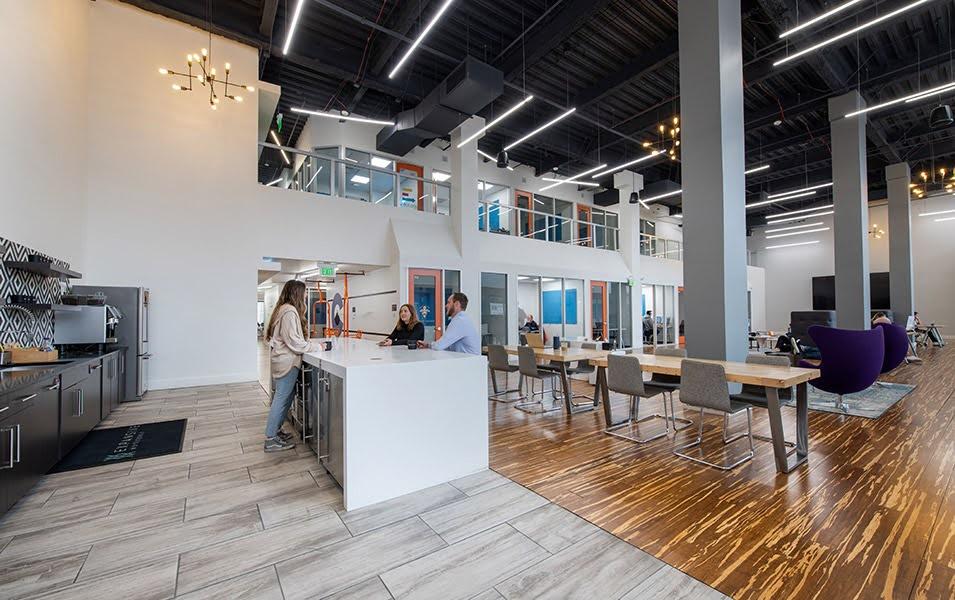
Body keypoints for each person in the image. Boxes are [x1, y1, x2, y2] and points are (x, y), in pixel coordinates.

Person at [263, 280, 320, 452]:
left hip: (284, 361)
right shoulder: (289, 311)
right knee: (281, 398)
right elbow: (294, 342)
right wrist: (317, 347)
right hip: (287, 363)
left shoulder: (283, 309)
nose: (305, 296)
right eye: (304, 293)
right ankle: (270, 439)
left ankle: (276, 431)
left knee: (286, 397)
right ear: (297, 293)